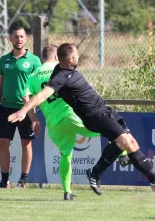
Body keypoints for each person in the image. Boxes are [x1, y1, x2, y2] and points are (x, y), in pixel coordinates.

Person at [8, 43, 155, 194]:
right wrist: (25, 110)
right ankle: (101, 173)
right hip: (95, 116)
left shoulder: (64, 69)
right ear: (69, 59)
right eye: (75, 55)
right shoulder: (60, 76)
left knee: (130, 142)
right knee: (125, 142)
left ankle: (152, 180)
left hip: (104, 110)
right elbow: (42, 95)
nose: (78, 57)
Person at [23, 44, 101, 201]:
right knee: (107, 129)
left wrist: (34, 119)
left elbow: (25, 98)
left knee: (66, 155)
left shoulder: (33, 76)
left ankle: (67, 192)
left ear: (42, 57)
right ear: (57, 57)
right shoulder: (62, 70)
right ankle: (124, 153)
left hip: (54, 123)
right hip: (70, 114)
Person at [0, 23, 41, 189]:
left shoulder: (34, 61)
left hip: (26, 109)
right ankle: (4, 181)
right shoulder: (4, 60)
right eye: (16, 36)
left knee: (26, 143)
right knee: (3, 143)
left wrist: (32, 108)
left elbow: (38, 87)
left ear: (26, 38)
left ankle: (23, 181)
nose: (19, 39)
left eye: (21, 36)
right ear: (10, 38)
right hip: (5, 108)